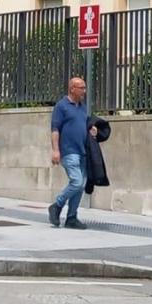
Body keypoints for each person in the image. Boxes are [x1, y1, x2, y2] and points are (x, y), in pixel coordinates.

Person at [48, 76, 90, 229]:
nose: (84, 91)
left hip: (83, 151)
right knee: (77, 182)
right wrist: (55, 150)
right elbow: (55, 129)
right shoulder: (61, 106)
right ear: (72, 88)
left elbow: (85, 125)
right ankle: (57, 205)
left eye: (84, 88)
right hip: (69, 151)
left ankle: (72, 217)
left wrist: (93, 129)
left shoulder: (83, 107)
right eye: (81, 88)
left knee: (81, 186)